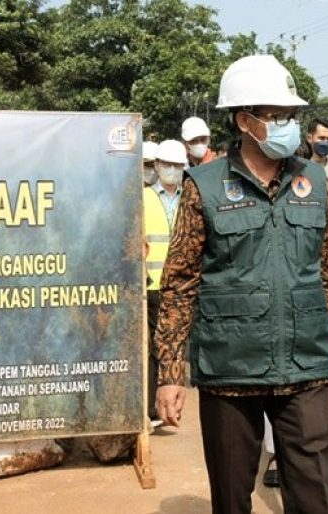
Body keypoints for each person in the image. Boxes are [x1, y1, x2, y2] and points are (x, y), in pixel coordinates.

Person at [154, 54, 328, 514]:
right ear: (245, 121)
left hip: (306, 367)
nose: (288, 125)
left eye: (292, 116)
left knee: (313, 498)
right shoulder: (204, 187)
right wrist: (170, 374)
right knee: (231, 499)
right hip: (229, 370)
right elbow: (179, 284)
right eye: (276, 116)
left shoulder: (316, 182)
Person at [144, 139, 187, 429]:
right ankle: (150, 407)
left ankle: (171, 404)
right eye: (166, 164)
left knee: (173, 348)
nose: (171, 170)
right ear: (157, 166)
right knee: (150, 349)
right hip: (150, 284)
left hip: (183, 286)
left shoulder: (190, 197)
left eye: (176, 165)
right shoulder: (143, 197)